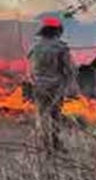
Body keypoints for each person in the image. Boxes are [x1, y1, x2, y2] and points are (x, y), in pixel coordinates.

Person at [27, 16, 75, 153]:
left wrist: (34, 81)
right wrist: (70, 84)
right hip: (56, 87)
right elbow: (70, 69)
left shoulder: (34, 47)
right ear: (57, 31)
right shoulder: (61, 47)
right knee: (55, 116)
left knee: (41, 116)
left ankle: (42, 145)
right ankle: (55, 143)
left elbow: (30, 70)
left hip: (39, 87)